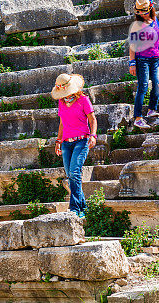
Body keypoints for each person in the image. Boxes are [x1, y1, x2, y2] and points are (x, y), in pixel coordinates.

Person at [52, 73, 97, 218]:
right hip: (66, 144)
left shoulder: (83, 100)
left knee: (74, 173)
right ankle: (83, 207)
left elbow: (92, 119)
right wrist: (58, 141)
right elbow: (61, 123)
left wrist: (93, 135)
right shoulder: (61, 103)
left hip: (81, 141)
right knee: (71, 176)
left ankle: (74, 208)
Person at [128, 0, 159, 131]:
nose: (142, 14)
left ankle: (151, 109)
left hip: (156, 58)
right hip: (142, 60)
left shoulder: (154, 21)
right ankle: (138, 118)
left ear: (150, 9)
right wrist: (132, 63)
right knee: (143, 87)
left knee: (158, 84)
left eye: (145, 11)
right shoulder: (136, 26)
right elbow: (132, 46)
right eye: (140, 12)